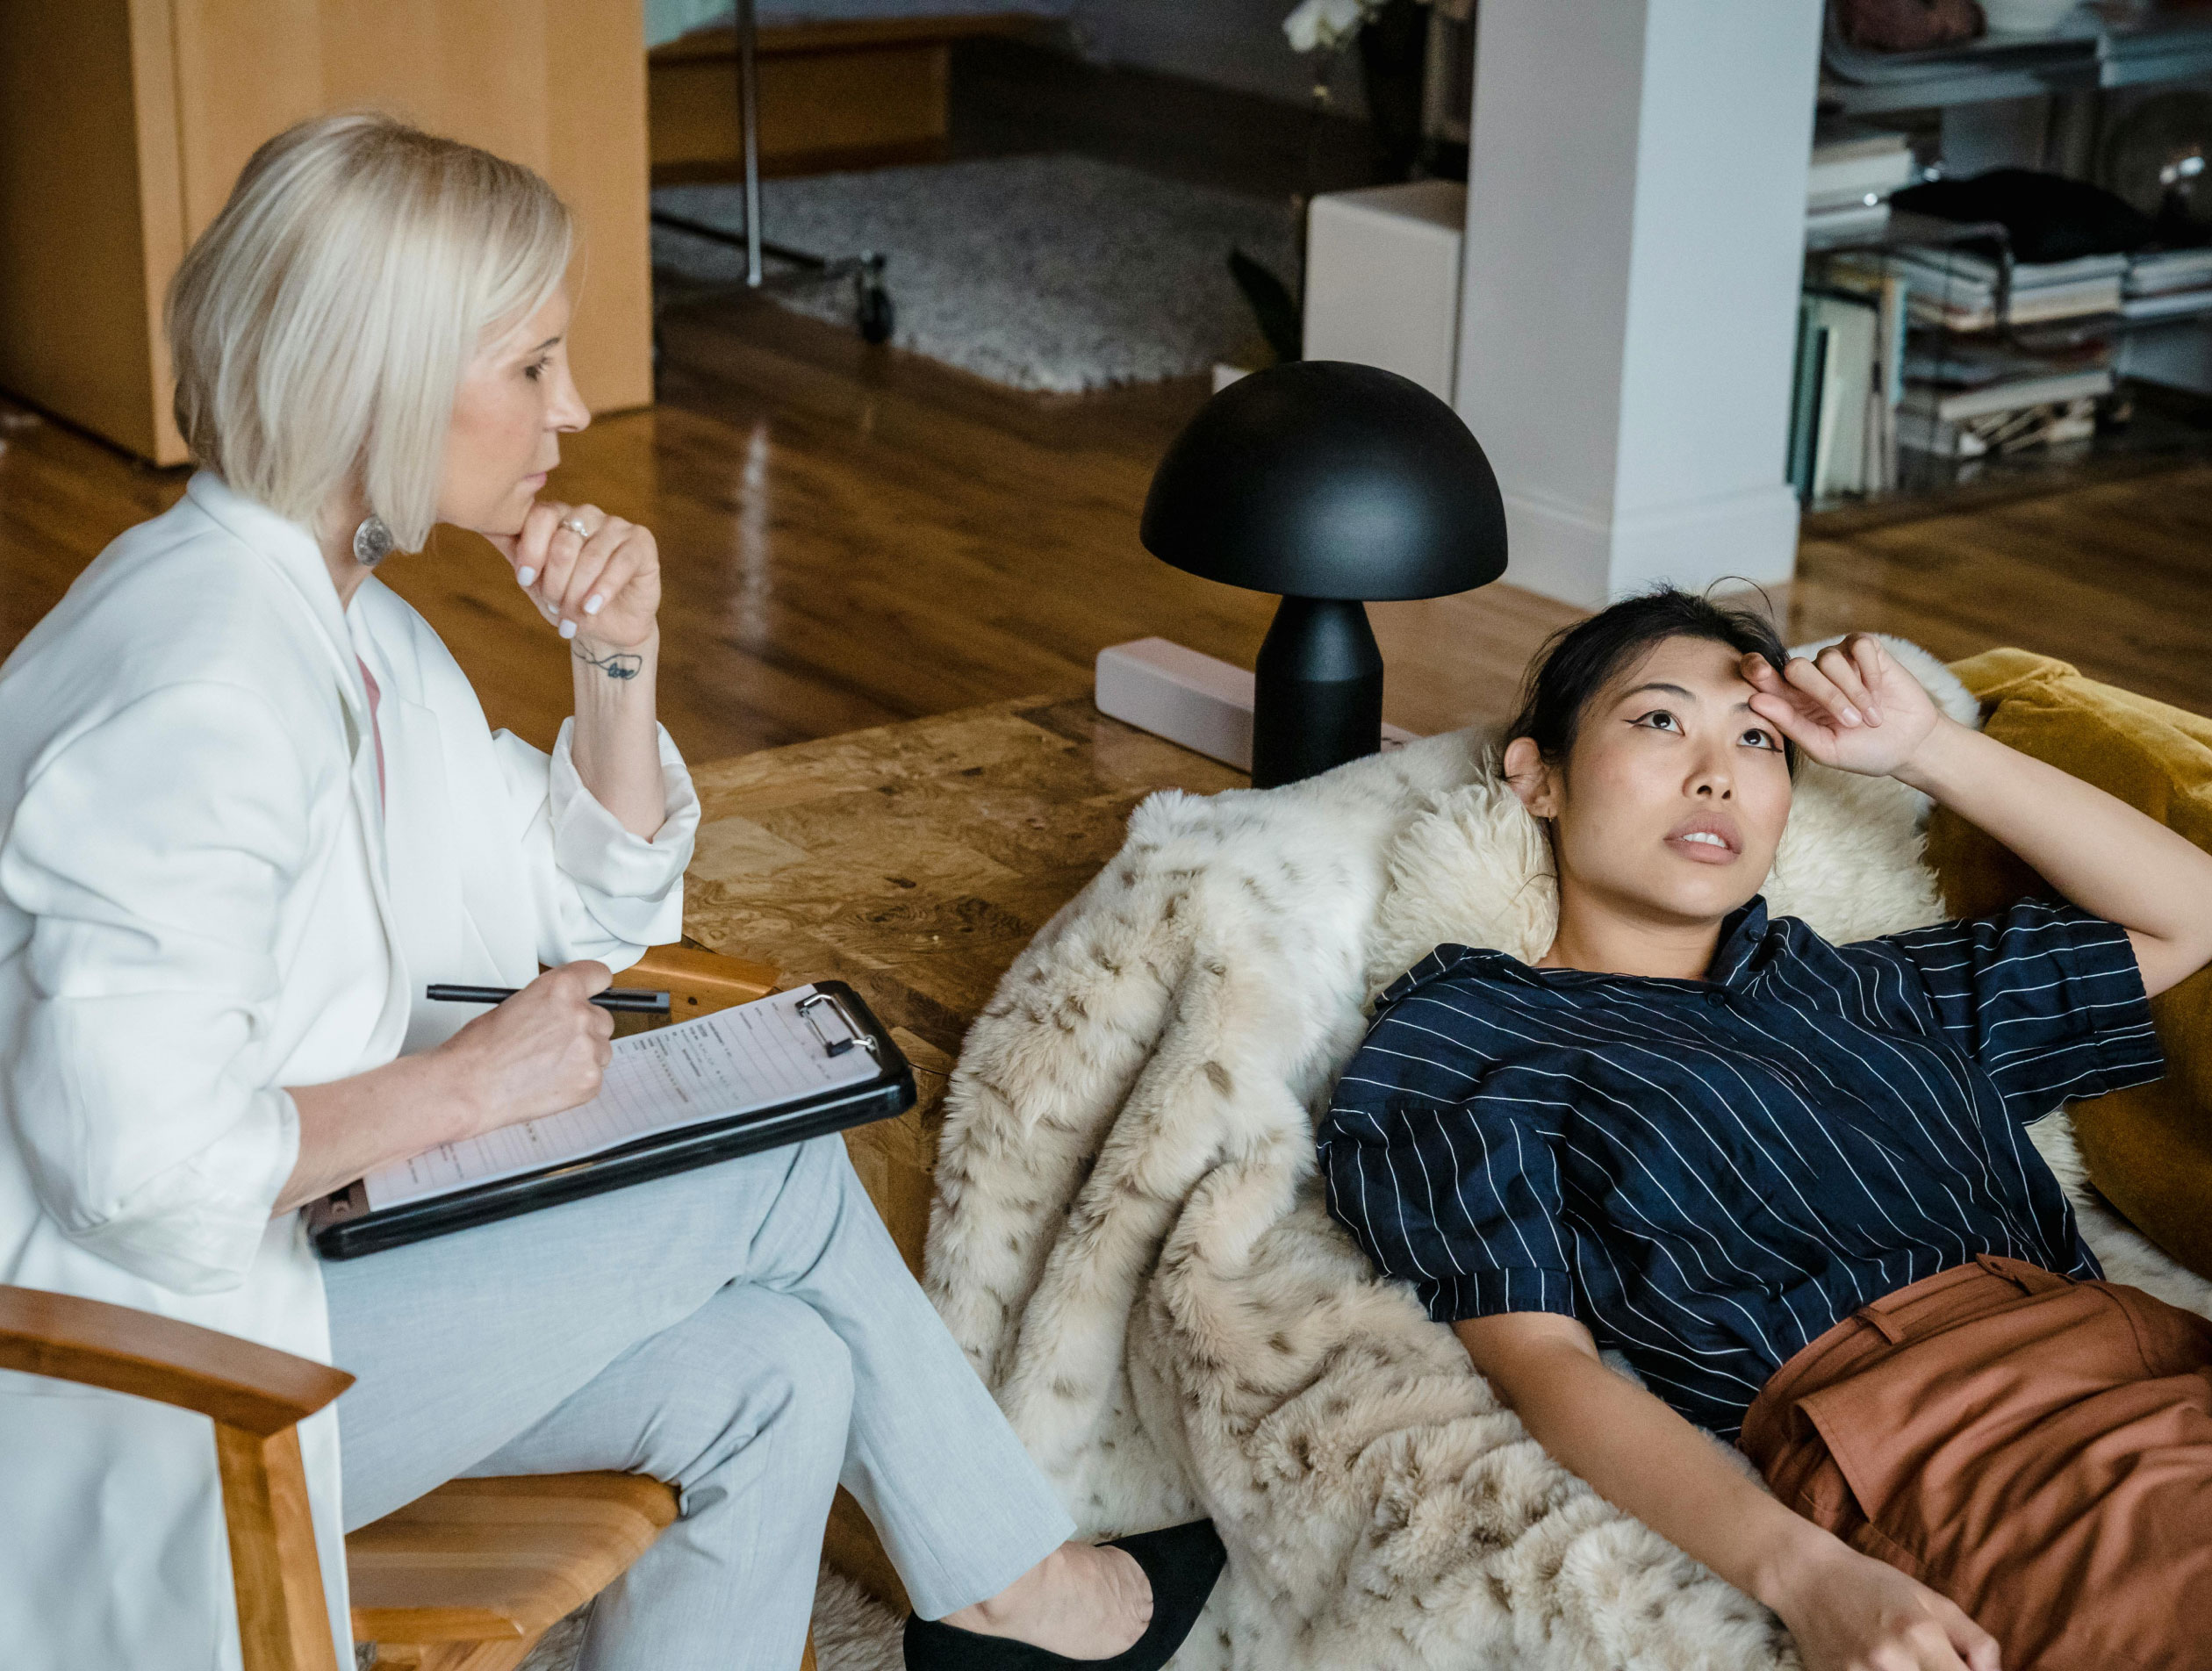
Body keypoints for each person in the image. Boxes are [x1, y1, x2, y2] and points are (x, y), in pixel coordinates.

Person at [0, 114, 1221, 1671]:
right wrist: (463, 1089)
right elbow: (137, 1166)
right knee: (773, 1173)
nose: (573, 409)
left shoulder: (350, 630)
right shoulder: (208, 692)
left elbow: (592, 924)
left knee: (778, 1369)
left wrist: (616, 661)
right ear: (381, 376)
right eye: (532, 365)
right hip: (165, 1387)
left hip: (298, 1281)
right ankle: (1017, 1595)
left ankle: (998, 1589)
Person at [1319, 589, 2212, 1671]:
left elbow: (2190, 911)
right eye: (1660, 720)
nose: (1718, 774)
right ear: (1537, 776)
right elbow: (1543, 1364)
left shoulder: (1851, 984)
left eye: (1757, 740)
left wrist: (1927, 748)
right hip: (1962, 1437)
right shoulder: (1472, 1033)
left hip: (2159, 1356)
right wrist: (1811, 1576)